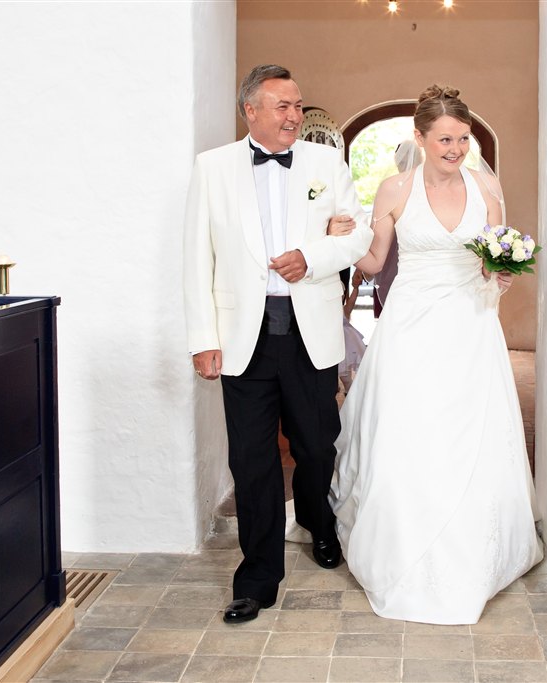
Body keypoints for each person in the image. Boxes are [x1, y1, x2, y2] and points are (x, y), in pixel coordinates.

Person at [328, 85, 543, 624]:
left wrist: (502, 272)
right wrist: (340, 239)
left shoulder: (486, 187)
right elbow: (374, 262)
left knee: (470, 428)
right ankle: (405, 537)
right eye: (445, 139)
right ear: (420, 138)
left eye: (463, 139)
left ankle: (475, 545)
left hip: (470, 324)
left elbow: (493, 258)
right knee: (411, 426)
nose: (456, 149)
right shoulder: (394, 189)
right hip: (410, 326)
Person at [183, 64, 372, 624]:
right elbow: (196, 259)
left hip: (309, 329)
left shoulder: (325, 163)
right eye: (282, 106)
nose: (294, 116)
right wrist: (203, 338)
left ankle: (317, 521)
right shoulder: (212, 167)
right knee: (252, 460)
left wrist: (312, 257)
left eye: (297, 105)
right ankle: (257, 578)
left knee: (316, 445)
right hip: (242, 336)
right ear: (251, 110)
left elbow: (358, 234)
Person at [371, 140, 420, 316]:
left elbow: (375, 233)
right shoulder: (390, 188)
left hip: (400, 249)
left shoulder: (391, 189)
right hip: (391, 249)